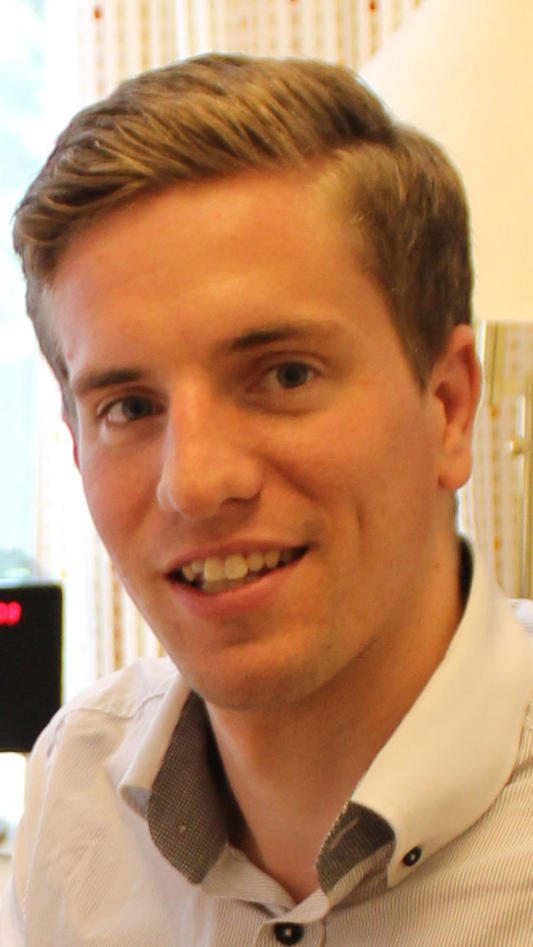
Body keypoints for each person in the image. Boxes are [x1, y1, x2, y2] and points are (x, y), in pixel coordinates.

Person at [2, 53, 532, 946]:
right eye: (128, 406)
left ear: (446, 405)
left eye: (284, 374)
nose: (194, 482)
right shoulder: (76, 793)